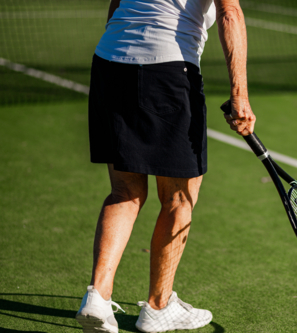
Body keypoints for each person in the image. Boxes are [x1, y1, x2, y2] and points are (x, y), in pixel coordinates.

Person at [75, 0, 255, 332]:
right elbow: (231, 12)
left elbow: (118, 3)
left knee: (124, 192)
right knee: (179, 199)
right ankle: (159, 307)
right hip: (169, 69)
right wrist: (240, 95)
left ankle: (97, 298)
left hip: (110, 62)